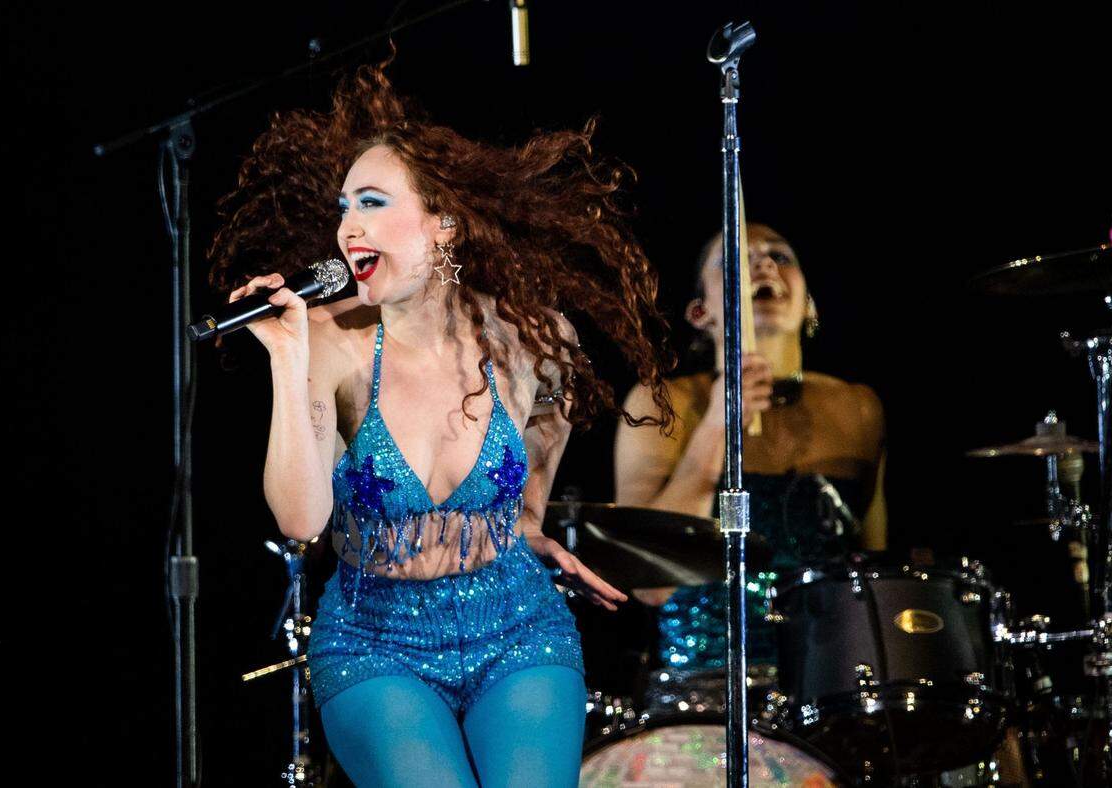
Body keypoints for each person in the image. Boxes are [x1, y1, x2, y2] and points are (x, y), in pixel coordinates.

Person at [208, 60, 674, 787]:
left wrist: (527, 521)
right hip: (375, 641)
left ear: (445, 224)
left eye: (371, 203)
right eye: (343, 208)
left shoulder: (525, 337)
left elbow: (552, 414)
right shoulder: (331, 344)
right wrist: (287, 359)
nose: (348, 227)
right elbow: (300, 521)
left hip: (516, 625)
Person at [613, 223, 885, 694]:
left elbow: (876, 572)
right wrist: (716, 425)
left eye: (781, 256)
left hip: (830, 686)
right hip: (704, 690)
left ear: (810, 304)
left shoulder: (857, 408)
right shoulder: (660, 403)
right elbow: (647, 584)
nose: (762, 265)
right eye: (735, 259)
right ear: (700, 312)